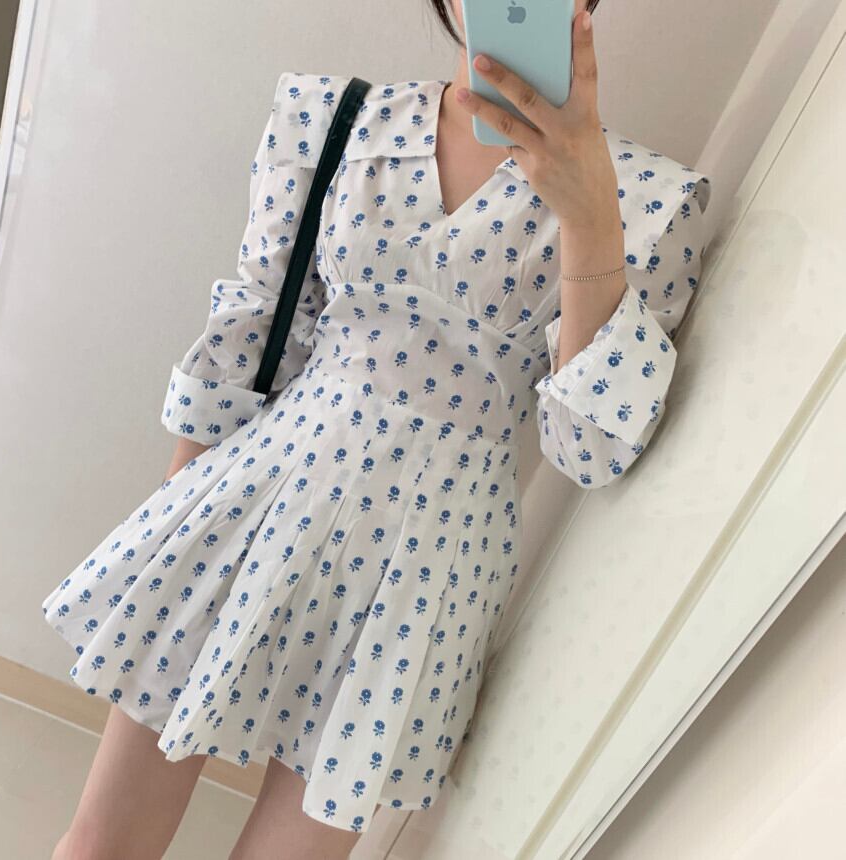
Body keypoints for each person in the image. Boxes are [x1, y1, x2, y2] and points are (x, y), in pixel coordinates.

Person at [44, 0, 710, 856]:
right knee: (98, 846)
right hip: (257, 503)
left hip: (428, 581)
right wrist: (173, 522)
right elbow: (252, 327)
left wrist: (589, 215)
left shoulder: (648, 202)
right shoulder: (334, 120)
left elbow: (589, 449)